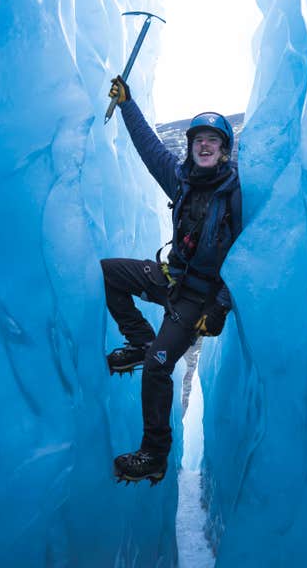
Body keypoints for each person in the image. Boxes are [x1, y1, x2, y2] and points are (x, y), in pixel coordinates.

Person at [102, 75, 242, 485]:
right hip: (170, 277)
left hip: (194, 302)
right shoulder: (180, 179)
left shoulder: (236, 196)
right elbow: (148, 147)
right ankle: (140, 339)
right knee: (110, 273)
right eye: (199, 138)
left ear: (224, 151)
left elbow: (247, 258)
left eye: (212, 140)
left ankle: (155, 454)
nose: (203, 144)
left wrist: (219, 307)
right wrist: (127, 103)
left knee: (157, 369)